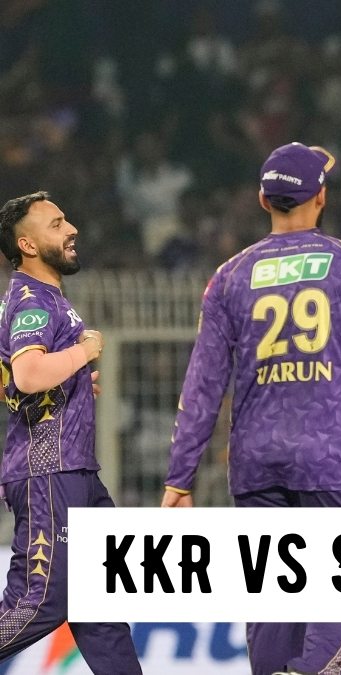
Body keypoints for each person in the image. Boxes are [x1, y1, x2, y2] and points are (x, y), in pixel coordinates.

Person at [163, 143, 341, 675]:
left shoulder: (229, 276)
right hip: (332, 454)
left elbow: (202, 386)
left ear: (262, 200)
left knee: (275, 602)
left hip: (254, 460)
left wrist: (180, 477)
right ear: (322, 197)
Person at [0, 192, 142, 674]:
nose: (72, 228)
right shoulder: (34, 301)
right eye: (57, 224)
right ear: (28, 245)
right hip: (50, 472)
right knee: (39, 601)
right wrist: (84, 352)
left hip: (74, 469)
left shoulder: (40, 298)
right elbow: (27, 375)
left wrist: (74, 383)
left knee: (100, 603)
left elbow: (21, 380)